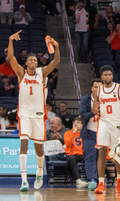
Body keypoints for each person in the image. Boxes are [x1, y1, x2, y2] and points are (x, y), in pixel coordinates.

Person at [8, 30, 60, 191]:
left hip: (38, 115)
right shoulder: (21, 73)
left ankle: (39, 171)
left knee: (38, 148)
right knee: (23, 144)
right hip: (24, 114)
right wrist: (10, 41)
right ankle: (24, 179)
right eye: (30, 59)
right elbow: (11, 58)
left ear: (37, 63)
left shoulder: (42, 73)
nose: (32, 61)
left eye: (35, 60)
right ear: (26, 63)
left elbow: (56, 61)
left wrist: (56, 46)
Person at [94, 65, 120, 194]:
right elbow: (94, 110)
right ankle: (101, 183)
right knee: (102, 151)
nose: (108, 77)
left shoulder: (119, 89)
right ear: (101, 77)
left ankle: (119, 178)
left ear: (112, 76)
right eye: (105, 75)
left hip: (117, 125)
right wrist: (94, 108)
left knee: (117, 154)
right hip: (103, 123)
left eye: (110, 74)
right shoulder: (97, 91)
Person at [80, 78, 102, 190]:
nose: (98, 89)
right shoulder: (86, 99)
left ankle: (100, 179)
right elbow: (83, 115)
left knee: (101, 157)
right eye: (96, 87)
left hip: (103, 132)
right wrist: (92, 113)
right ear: (91, 88)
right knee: (90, 156)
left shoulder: (107, 100)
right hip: (89, 133)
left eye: (100, 87)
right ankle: (92, 179)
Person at [64, 117, 87, 188]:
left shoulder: (84, 133)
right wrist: (74, 132)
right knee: (71, 159)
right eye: (75, 122)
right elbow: (68, 143)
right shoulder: (68, 133)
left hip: (82, 154)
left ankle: (91, 179)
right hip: (72, 154)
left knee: (90, 158)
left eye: (78, 122)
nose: (76, 124)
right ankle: (78, 180)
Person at [46, 117, 69, 184]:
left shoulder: (67, 131)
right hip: (52, 154)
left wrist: (60, 139)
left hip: (64, 154)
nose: (50, 125)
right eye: (50, 124)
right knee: (49, 156)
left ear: (58, 124)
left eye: (52, 124)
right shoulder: (48, 133)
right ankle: (51, 177)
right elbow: (46, 144)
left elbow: (69, 143)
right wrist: (53, 140)